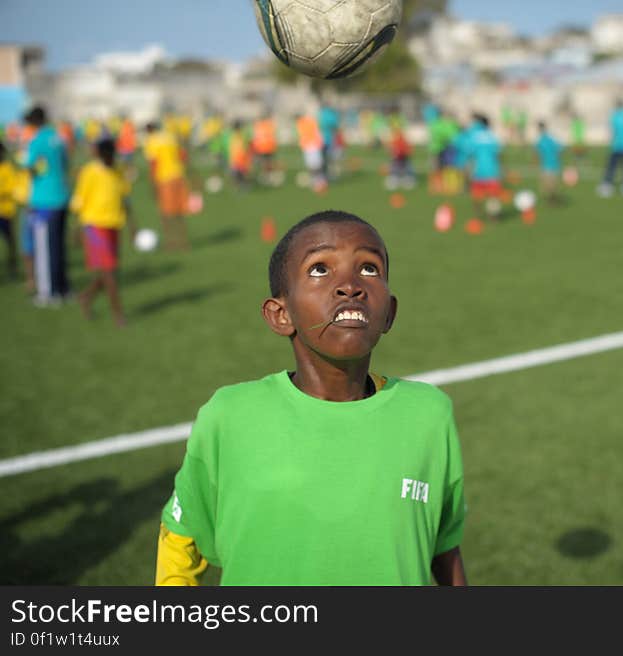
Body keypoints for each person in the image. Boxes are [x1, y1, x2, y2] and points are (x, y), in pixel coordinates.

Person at [155, 210, 468, 586]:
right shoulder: (230, 415)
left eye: (369, 269)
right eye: (320, 269)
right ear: (280, 314)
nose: (350, 285)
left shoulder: (429, 414)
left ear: (390, 313)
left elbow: (443, 548)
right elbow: (182, 535)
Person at [70, 138, 136, 327]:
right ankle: (119, 315)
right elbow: (80, 200)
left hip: (114, 224)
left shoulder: (118, 170)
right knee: (109, 272)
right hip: (94, 227)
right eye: (105, 154)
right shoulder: (89, 172)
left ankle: (86, 297)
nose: (109, 158)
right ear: (98, 154)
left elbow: (124, 198)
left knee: (111, 271)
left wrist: (132, 226)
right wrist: (77, 230)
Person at [23, 105, 71, 305]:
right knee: (58, 246)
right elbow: (65, 163)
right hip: (61, 196)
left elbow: (29, 166)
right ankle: (63, 288)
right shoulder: (58, 137)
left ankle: (48, 293)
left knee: (44, 249)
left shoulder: (37, 140)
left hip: (44, 200)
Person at [143, 121, 190, 250]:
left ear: (149, 131)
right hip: (178, 176)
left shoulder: (151, 141)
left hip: (164, 178)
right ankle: (183, 241)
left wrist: (152, 183)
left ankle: (171, 242)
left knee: (165, 213)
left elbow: (153, 163)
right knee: (179, 212)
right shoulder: (171, 137)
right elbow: (183, 156)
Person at [463, 113, 503, 219]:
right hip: (492, 171)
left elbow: (469, 153)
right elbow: (498, 154)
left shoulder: (474, 137)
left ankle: (478, 216)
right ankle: (493, 216)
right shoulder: (492, 137)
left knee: (476, 196)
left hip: (479, 171)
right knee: (493, 196)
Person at [598, 98, 623, 198]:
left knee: (612, 167)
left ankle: (607, 186)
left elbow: (612, 131)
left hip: (616, 146)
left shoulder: (614, 116)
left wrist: (610, 140)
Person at [0, 141, 20, 279]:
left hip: (6, 211)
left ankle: (12, 265)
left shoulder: (7, 168)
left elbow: (13, 187)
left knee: (10, 240)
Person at [535, 121, 563, 205]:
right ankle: (552, 199)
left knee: (547, 185)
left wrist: (537, 162)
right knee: (551, 185)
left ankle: (552, 200)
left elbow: (538, 154)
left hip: (547, 165)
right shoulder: (552, 138)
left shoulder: (541, 140)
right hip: (554, 164)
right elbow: (560, 149)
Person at [295, 112, 324, 189]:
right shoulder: (302, 123)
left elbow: (316, 132)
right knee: (313, 165)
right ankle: (316, 181)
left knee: (316, 165)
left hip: (313, 145)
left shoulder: (307, 122)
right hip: (308, 146)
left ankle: (320, 181)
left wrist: (319, 142)